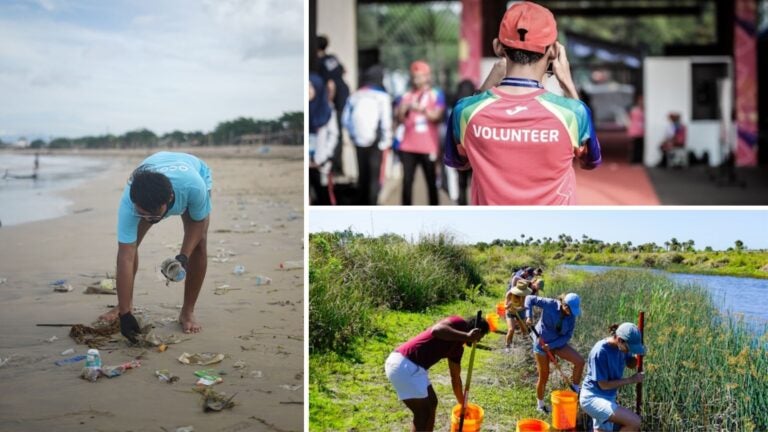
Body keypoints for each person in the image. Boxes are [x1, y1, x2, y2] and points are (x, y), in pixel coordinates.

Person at [444, 1, 601, 205]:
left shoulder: (465, 111)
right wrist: (568, 85)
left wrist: (485, 87)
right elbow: (589, 162)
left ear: (498, 47)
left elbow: (460, 163)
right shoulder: (573, 112)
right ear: (554, 51)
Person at [98, 152, 212, 341]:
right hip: (153, 178)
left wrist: (183, 257)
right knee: (130, 249)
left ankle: (188, 312)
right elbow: (126, 255)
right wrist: (125, 315)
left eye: (153, 215)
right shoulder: (129, 203)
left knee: (199, 244)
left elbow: (197, 225)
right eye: (142, 214)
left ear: (168, 201)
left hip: (193, 172)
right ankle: (124, 305)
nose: (149, 220)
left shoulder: (194, 187)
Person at [385, 314, 489, 432]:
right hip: (404, 364)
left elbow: (455, 379)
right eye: (481, 336)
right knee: (423, 413)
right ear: (476, 331)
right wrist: (466, 335)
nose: (479, 340)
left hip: (414, 368)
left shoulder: (457, 349)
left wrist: (463, 405)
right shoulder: (458, 323)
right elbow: (437, 330)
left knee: (432, 403)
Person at [524, 292, 585, 413]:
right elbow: (529, 298)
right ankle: (540, 405)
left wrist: (551, 346)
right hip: (541, 343)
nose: (571, 313)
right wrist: (528, 316)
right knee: (544, 376)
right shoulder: (550, 304)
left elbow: (567, 335)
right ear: (564, 305)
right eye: (570, 310)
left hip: (557, 343)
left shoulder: (572, 316)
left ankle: (575, 390)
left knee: (580, 361)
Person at [580, 323, 646, 431]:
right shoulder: (600, 351)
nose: (629, 351)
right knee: (634, 421)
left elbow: (630, 364)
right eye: (629, 348)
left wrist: (637, 354)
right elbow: (603, 385)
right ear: (620, 340)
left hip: (608, 397)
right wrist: (632, 379)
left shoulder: (622, 347)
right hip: (592, 398)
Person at [397, 60, 446, 205]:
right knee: (406, 183)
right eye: (414, 76)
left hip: (428, 146)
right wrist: (403, 109)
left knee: (431, 183)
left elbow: (437, 116)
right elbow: (400, 118)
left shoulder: (436, 94)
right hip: (408, 146)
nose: (416, 79)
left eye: (419, 76)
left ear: (427, 77)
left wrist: (420, 108)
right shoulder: (406, 95)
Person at [343, 65, 392, 205]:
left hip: (358, 141)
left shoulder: (355, 95)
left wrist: (353, 136)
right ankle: (372, 203)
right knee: (374, 177)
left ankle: (362, 202)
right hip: (376, 144)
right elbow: (386, 122)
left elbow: (345, 120)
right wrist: (386, 142)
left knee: (362, 175)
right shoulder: (382, 96)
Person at [317, 35, 350, 175]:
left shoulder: (319, 62)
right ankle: (338, 166)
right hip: (344, 94)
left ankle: (333, 166)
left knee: (332, 132)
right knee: (339, 132)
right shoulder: (332, 58)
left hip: (335, 99)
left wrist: (329, 102)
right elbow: (344, 70)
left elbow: (330, 85)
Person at [309, 72, 339, 205]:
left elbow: (333, 135)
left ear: (318, 88)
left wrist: (325, 157)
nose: (307, 91)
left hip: (321, 161)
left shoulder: (327, 109)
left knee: (323, 195)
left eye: (310, 87)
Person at [504, 279, 532, 352]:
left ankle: (526, 345)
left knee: (524, 329)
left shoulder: (525, 296)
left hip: (520, 312)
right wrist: (508, 305)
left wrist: (517, 309)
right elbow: (505, 306)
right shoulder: (509, 294)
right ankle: (508, 346)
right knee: (511, 330)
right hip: (510, 312)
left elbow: (523, 306)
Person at [627, 93, 644, 164]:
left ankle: (638, 159)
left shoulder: (643, 110)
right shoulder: (634, 110)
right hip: (635, 130)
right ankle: (634, 160)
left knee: (640, 146)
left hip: (642, 131)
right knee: (635, 146)